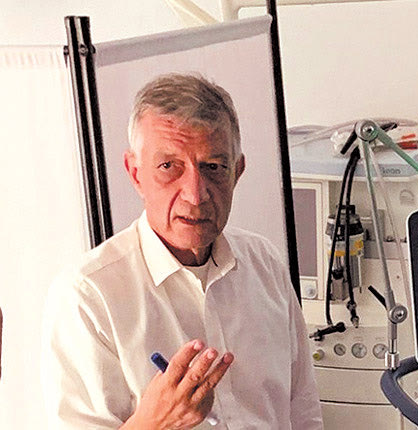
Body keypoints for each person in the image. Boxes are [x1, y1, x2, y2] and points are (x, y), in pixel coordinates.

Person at [41, 73, 323, 430]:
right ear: (135, 173)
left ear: (237, 172)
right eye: (169, 167)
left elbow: (303, 411)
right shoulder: (89, 296)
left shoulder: (264, 263)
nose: (195, 193)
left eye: (213, 168)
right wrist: (153, 423)